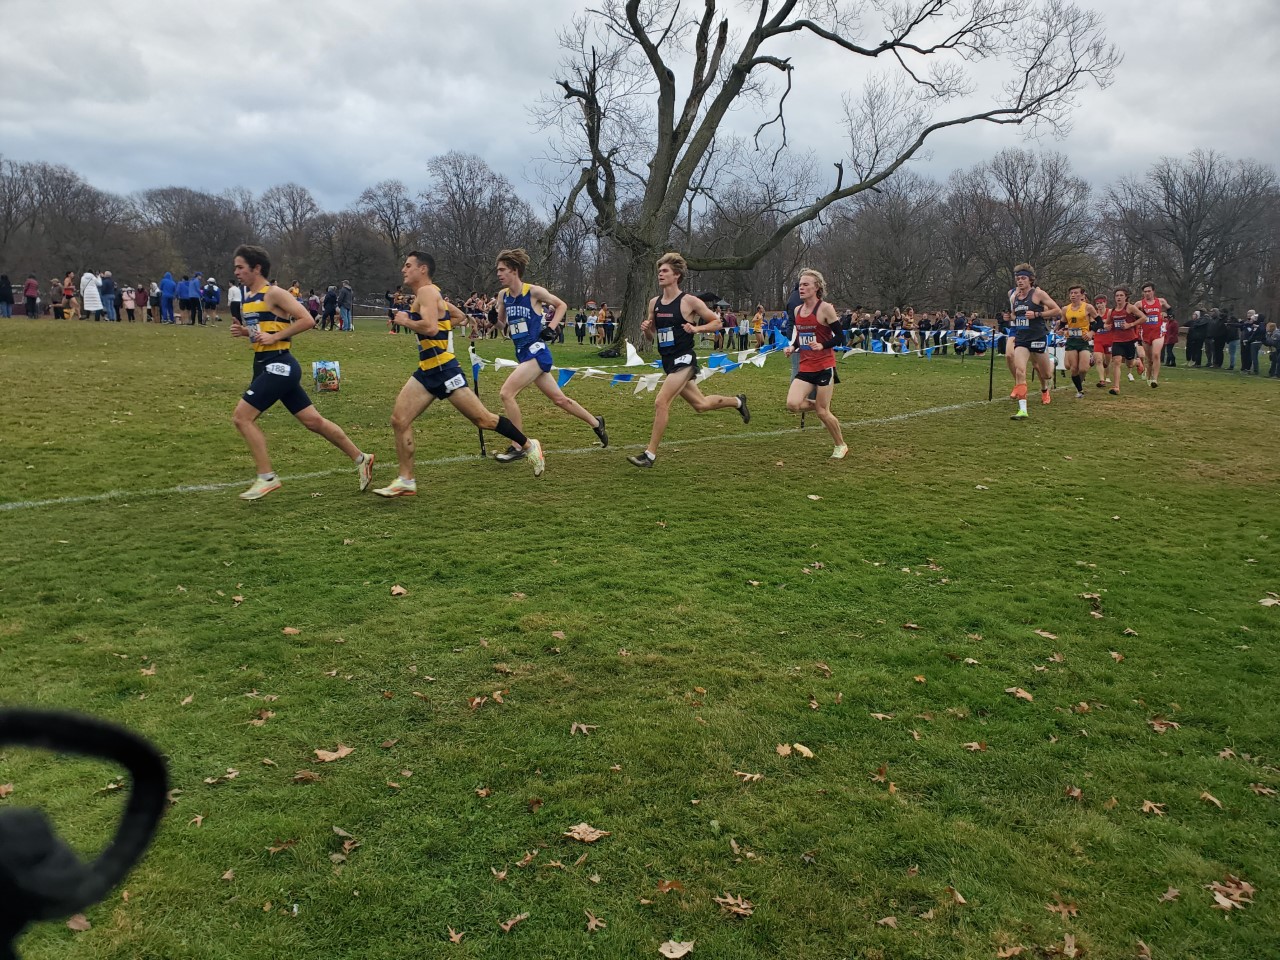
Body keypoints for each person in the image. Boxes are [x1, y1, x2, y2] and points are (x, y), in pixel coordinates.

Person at [374, 251, 543, 497]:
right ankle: (406, 479)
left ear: (422, 269)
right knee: (399, 420)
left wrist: (406, 321)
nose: (403, 269)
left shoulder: (427, 292)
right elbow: (458, 316)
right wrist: (439, 325)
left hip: (444, 370)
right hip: (426, 370)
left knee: (483, 420)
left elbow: (430, 327)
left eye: (408, 265)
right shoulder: (429, 295)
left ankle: (529, 445)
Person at [229, 244, 374, 501]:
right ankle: (361, 458)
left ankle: (267, 477)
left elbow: (307, 319)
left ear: (256, 268)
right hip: (262, 364)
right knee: (313, 422)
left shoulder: (274, 293)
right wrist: (245, 332)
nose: (236, 272)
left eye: (240, 267)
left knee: (242, 418)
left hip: (280, 364)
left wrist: (275, 337)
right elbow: (264, 330)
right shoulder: (249, 298)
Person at [628, 252, 749, 468]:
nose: (660, 274)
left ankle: (649, 455)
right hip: (668, 361)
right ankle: (738, 402)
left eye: (665, 271)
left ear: (676, 275)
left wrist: (696, 329)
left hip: (684, 359)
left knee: (661, 401)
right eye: (659, 271)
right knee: (701, 405)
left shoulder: (689, 301)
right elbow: (651, 337)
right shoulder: (654, 303)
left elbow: (717, 322)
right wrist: (646, 329)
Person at [490, 249, 608, 462]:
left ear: (514, 270)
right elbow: (503, 327)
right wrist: (493, 320)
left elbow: (562, 305)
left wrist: (551, 328)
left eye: (502, 270)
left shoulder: (533, 292)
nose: (498, 274)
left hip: (537, 352)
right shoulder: (503, 296)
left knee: (506, 393)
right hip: (522, 354)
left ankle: (518, 445)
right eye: (498, 270)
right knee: (560, 400)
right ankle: (596, 422)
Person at [783, 269, 848, 459]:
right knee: (792, 404)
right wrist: (793, 347)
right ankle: (821, 405)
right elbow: (801, 336)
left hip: (824, 366)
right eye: (800, 285)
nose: (801, 288)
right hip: (806, 366)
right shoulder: (797, 310)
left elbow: (840, 337)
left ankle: (840, 445)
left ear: (817, 287)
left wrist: (822, 345)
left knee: (822, 413)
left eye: (806, 285)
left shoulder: (825, 308)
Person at [1006, 264, 1062, 420]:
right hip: (1022, 339)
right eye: (1018, 278)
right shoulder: (1014, 297)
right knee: (1020, 370)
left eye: (1023, 278)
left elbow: (1057, 310)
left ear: (1030, 279)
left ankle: (1052, 362)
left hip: (1037, 338)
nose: (1020, 281)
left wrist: (1037, 314)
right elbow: (1014, 314)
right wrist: (1012, 318)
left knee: (1046, 374)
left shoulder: (1038, 294)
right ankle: (1022, 410)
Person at [1103, 287, 1145, 396]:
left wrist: (1130, 325)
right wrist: (1107, 326)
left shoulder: (1130, 308)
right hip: (1117, 340)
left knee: (1129, 364)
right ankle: (1116, 387)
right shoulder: (1111, 311)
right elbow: (1107, 324)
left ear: (1126, 297)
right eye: (1117, 295)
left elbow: (1144, 318)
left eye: (1121, 295)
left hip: (1129, 340)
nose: (1119, 297)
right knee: (1116, 361)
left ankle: (1137, 362)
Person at [1061, 285, 1098, 398]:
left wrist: (1091, 333)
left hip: (1083, 340)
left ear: (1082, 295)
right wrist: (1062, 330)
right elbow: (1062, 323)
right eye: (1071, 293)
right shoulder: (1065, 309)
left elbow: (1099, 322)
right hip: (1071, 341)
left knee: (1083, 368)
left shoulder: (1088, 307)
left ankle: (1089, 359)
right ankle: (1080, 390)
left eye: (1076, 293)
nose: (1073, 295)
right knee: (1073, 368)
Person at [1137, 282, 1170, 387]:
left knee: (1156, 354)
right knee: (1149, 359)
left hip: (1158, 332)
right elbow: (1131, 313)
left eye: (1149, 291)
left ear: (1153, 291)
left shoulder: (1160, 301)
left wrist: (1168, 315)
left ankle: (1155, 379)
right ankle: (1148, 376)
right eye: (1145, 292)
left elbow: (1170, 310)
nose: (1147, 293)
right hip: (1146, 333)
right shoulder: (1139, 304)